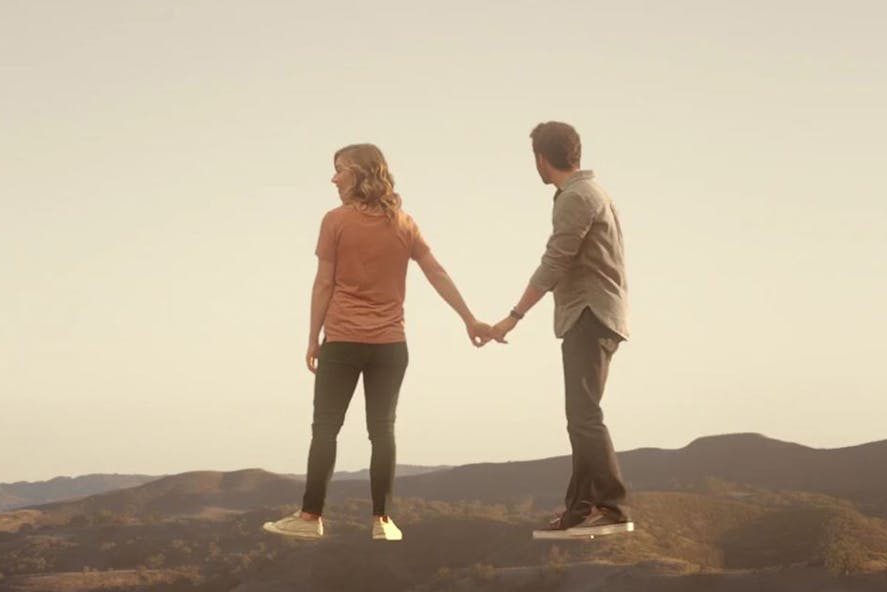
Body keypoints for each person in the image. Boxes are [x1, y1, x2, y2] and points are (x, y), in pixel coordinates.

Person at [264, 143, 492, 542]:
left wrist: (313, 337)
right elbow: (435, 271)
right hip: (391, 345)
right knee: (382, 429)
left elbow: (323, 282)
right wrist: (469, 318)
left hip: (344, 340)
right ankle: (383, 520)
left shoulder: (335, 221)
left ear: (360, 173)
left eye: (339, 170)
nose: (333, 178)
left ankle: (310, 515)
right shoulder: (404, 223)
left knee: (325, 429)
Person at [490, 121, 635, 539]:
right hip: (593, 314)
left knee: (584, 415)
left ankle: (612, 505)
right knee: (580, 416)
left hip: (591, 314)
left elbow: (555, 262)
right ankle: (581, 508)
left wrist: (513, 316)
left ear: (540, 158)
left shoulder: (577, 197)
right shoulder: (586, 193)